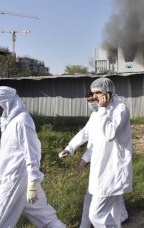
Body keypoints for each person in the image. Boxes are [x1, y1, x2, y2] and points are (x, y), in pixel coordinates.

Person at [0, 86, 65, 228]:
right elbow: (10, 152)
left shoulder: (22, 121)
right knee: (42, 214)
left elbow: (32, 153)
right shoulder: (9, 122)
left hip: (16, 179)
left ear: (5, 102)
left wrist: (33, 183)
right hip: (15, 176)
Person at [58, 92, 129, 227]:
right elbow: (86, 134)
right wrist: (70, 148)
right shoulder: (95, 115)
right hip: (99, 165)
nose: (91, 103)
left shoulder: (118, 111)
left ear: (103, 97)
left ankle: (118, 219)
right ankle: (118, 218)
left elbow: (107, 137)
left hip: (111, 166)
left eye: (93, 100)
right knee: (106, 198)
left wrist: (84, 158)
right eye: (89, 101)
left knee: (101, 207)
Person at [85, 78, 133, 227]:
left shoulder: (121, 109)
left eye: (98, 93)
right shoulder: (98, 112)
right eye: (94, 94)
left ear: (108, 93)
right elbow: (87, 133)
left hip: (114, 168)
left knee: (96, 215)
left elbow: (110, 134)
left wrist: (103, 110)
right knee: (115, 213)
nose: (95, 97)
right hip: (101, 166)